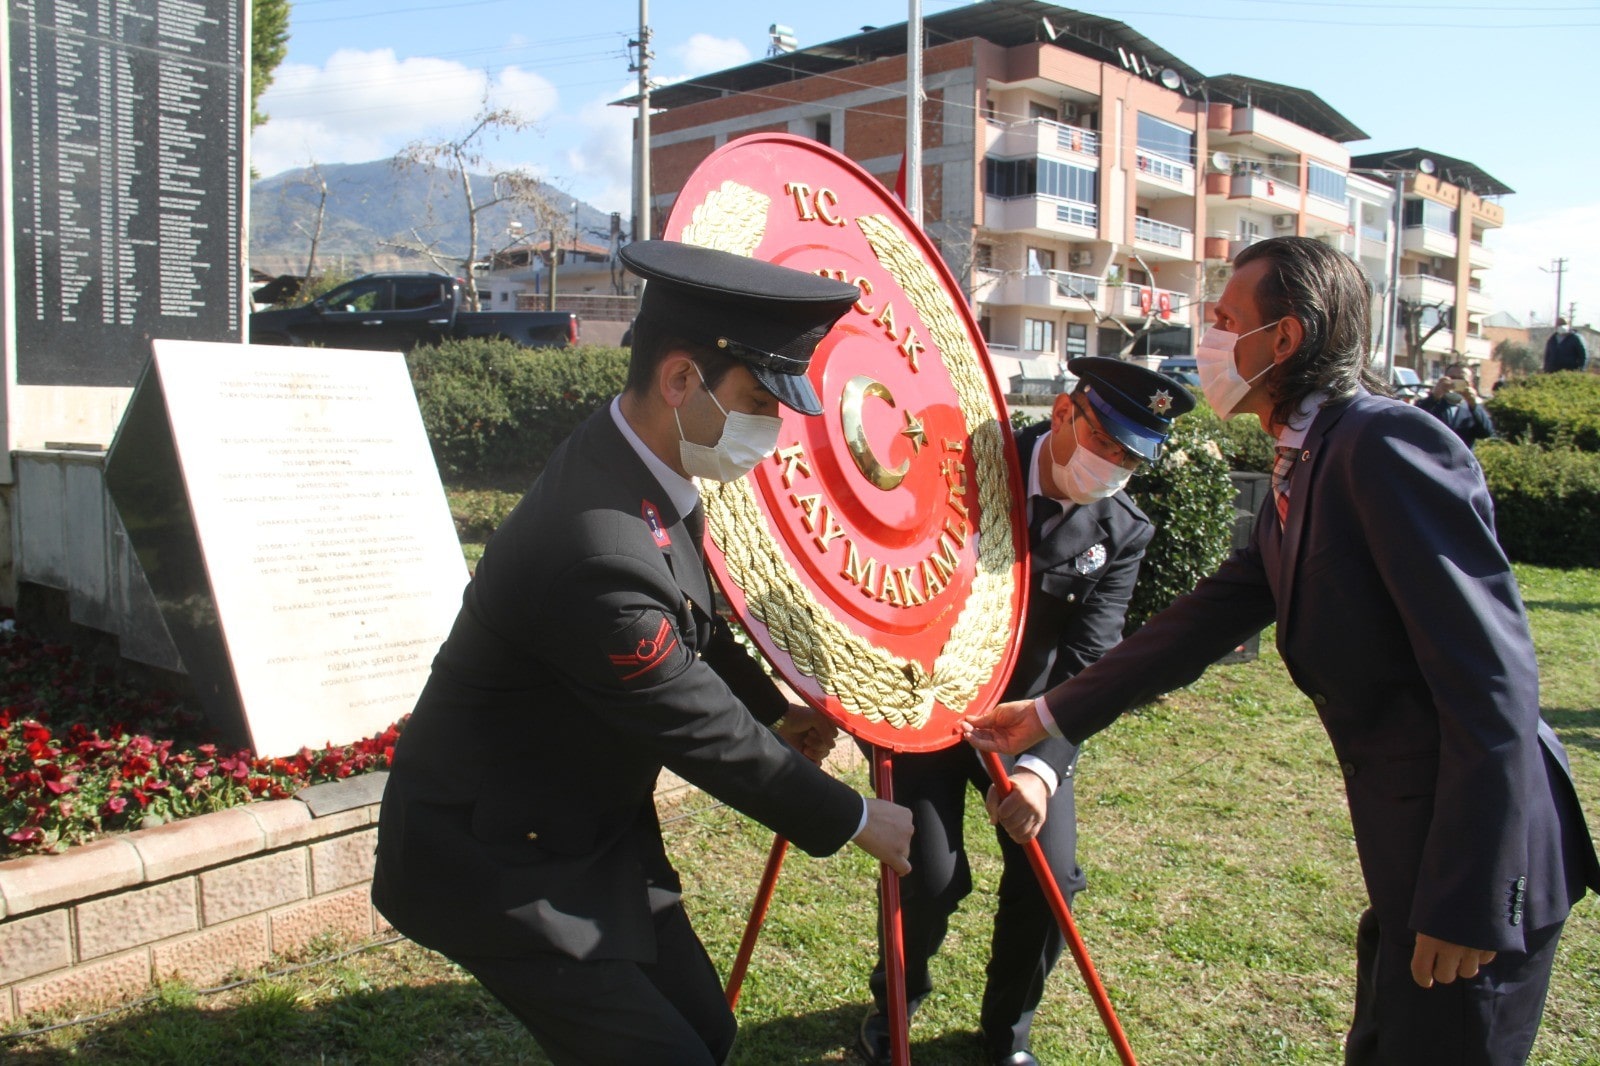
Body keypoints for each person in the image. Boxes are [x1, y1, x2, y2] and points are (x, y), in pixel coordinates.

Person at [965, 236, 1600, 1065]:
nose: (1209, 336)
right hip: (1410, 852)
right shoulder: (1307, 460)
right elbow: (1200, 623)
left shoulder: (1387, 445)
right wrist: (1046, 714)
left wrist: (1473, 900)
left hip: (1477, 868)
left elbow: (1494, 680)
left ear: (1284, 340)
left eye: (1227, 319)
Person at [372, 240, 916, 1066]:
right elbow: (698, 731)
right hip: (495, 862)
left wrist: (774, 708)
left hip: (584, 824)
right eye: (760, 404)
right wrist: (853, 818)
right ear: (680, 381)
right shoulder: (598, 546)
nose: (771, 430)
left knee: (708, 1031)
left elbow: (692, 619)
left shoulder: (641, 465)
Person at [858, 358, 1195, 1066]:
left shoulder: (1122, 530)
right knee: (931, 873)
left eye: (1134, 456)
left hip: (1031, 720)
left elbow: (1090, 665)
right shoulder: (973, 463)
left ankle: (1005, 1036)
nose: (1115, 467)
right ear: (1068, 412)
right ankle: (893, 1011)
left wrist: (1042, 769)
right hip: (928, 706)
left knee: (1053, 879)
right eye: (1106, 445)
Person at [1416, 362, 1494, 447]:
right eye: (1452, 378)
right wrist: (1434, 396)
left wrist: (1473, 405)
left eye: (1461, 379)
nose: (1455, 383)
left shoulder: (1472, 409)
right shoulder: (1432, 403)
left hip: (1460, 459)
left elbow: (1486, 432)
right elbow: (1413, 422)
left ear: (1470, 384)